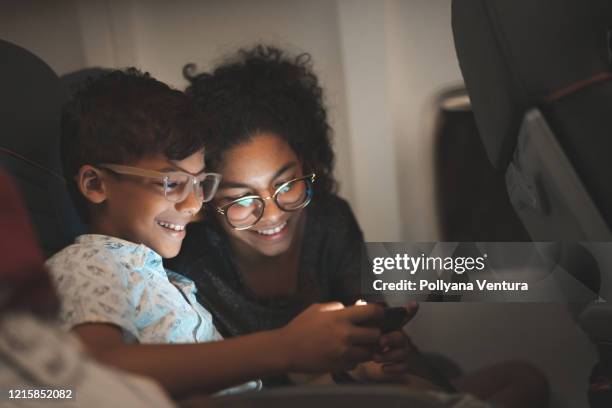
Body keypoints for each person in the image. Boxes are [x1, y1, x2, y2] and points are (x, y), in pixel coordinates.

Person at [170, 45, 549, 407]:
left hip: (351, 386)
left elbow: (377, 338)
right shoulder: (196, 268)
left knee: (524, 378)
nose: (271, 214)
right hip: (289, 399)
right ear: (208, 198)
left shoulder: (328, 221)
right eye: (242, 199)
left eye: (286, 184)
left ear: (307, 165)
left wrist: (390, 354)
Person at [45, 68, 385, 399]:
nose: (194, 205)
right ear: (94, 184)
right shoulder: (91, 265)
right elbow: (94, 372)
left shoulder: (163, 278)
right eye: (173, 184)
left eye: (200, 183)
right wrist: (285, 347)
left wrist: (358, 360)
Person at [0, 170, 180, 408]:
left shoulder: (168, 277)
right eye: (173, 183)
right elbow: (98, 367)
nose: (195, 203)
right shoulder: (87, 261)